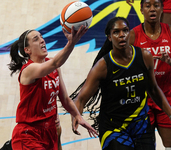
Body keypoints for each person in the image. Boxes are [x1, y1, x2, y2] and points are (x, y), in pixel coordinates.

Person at [70, 17, 171, 150]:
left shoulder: (145, 57)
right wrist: (76, 116)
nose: (122, 35)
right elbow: (81, 98)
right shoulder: (102, 67)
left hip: (140, 124)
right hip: (114, 128)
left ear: (130, 33)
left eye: (125, 30)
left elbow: (153, 89)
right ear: (110, 37)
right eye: (116, 32)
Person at [7, 26, 98, 150]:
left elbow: (65, 99)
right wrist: (71, 43)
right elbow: (55, 62)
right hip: (29, 134)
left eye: (42, 37)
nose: (42, 40)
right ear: (27, 50)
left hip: (50, 132)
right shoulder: (29, 70)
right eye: (36, 39)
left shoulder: (55, 69)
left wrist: (78, 116)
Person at [128, 0, 171, 149]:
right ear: (141, 10)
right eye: (148, 6)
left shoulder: (170, 32)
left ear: (162, 9)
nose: (152, 9)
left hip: (167, 96)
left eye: (156, 6)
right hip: (143, 101)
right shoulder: (132, 35)